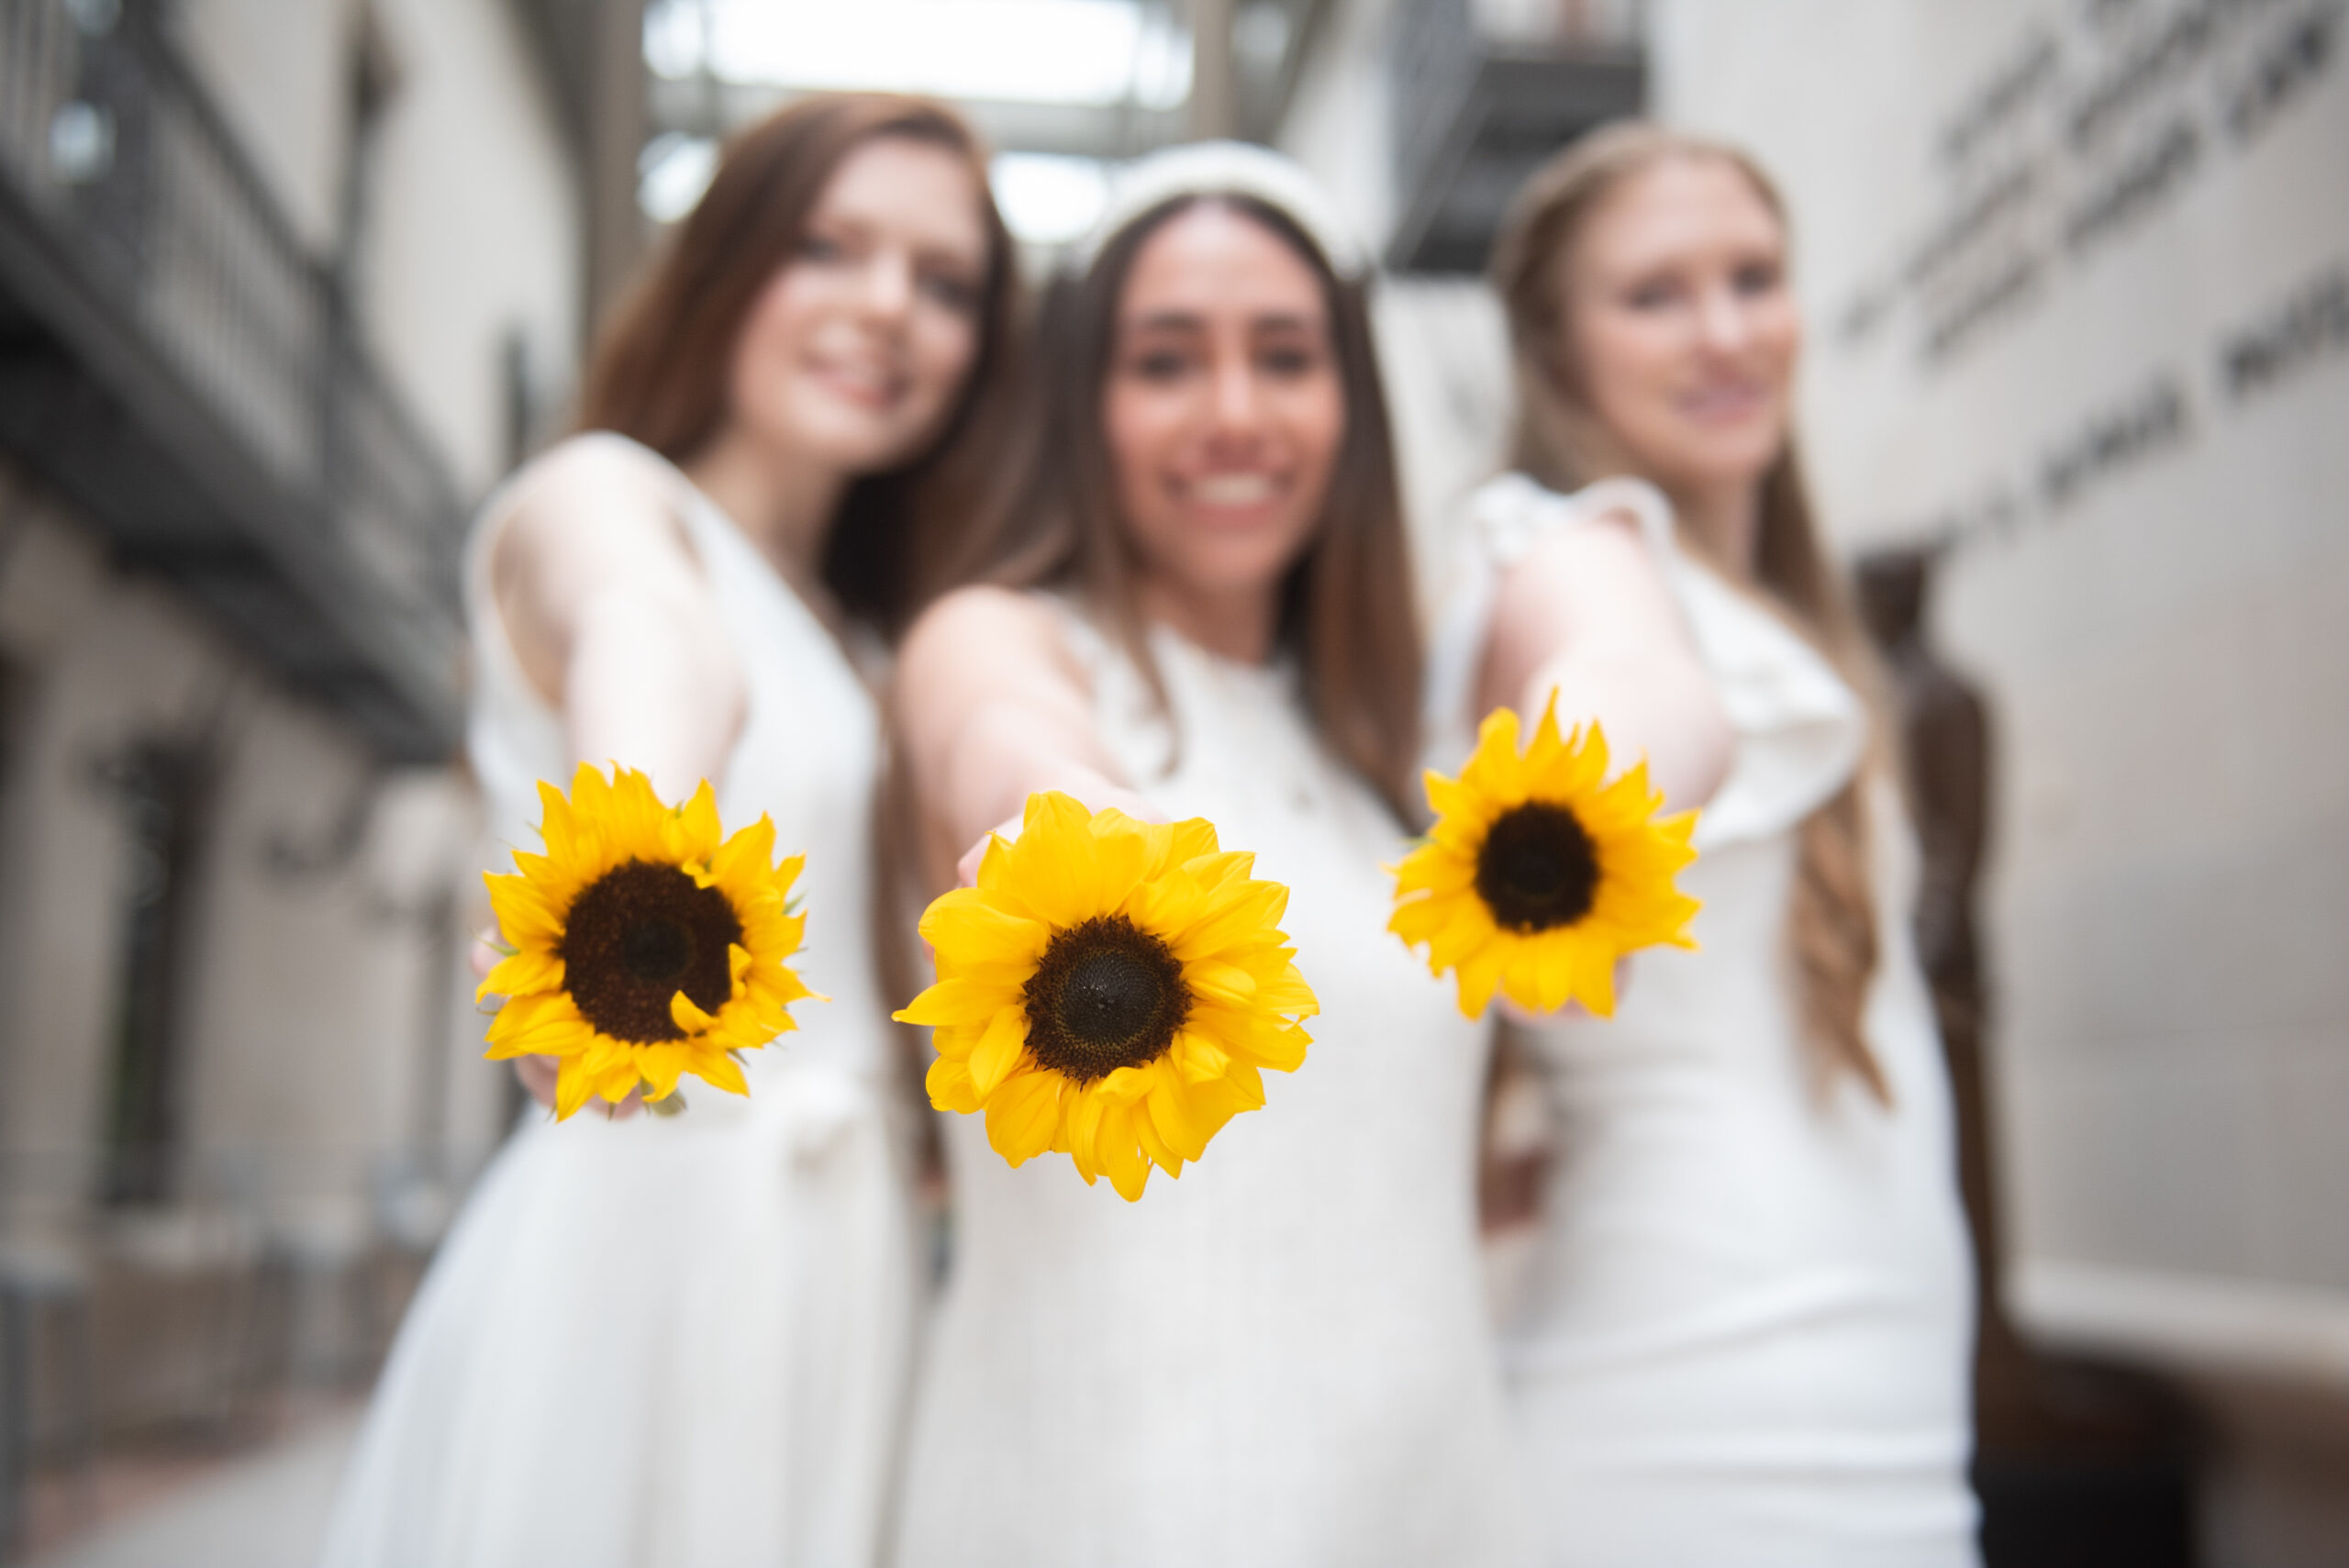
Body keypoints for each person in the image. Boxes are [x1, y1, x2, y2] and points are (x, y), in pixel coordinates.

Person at [318, 95, 1020, 1568]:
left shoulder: (879, 642)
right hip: (649, 1249)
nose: (888, 307)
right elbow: (651, 637)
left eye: (945, 280)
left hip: (852, 1272)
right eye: (831, 246)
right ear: (726, 264)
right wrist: (630, 890)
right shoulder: (606, 500)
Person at [885, 143, 1521, 1568]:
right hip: (1102, 1497)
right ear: (1083, 402)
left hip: (1429, 1495)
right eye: (1168, 362)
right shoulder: (1005, 638)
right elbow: (1007, 745)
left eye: (1285, 357)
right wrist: (1078, 849)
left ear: (1352, 401)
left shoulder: (1398, 771)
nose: (1235, 413)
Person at [1429, 123, 1977, 1565]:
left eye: (1755, 276)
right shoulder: (1567, 553)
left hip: (1887, 1395)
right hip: (1693, 1402)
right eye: (1655, 295)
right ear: (1556, 351)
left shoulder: (1782, 607)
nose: (1727, 331)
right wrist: (1569, 816)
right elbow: (1617, 689)